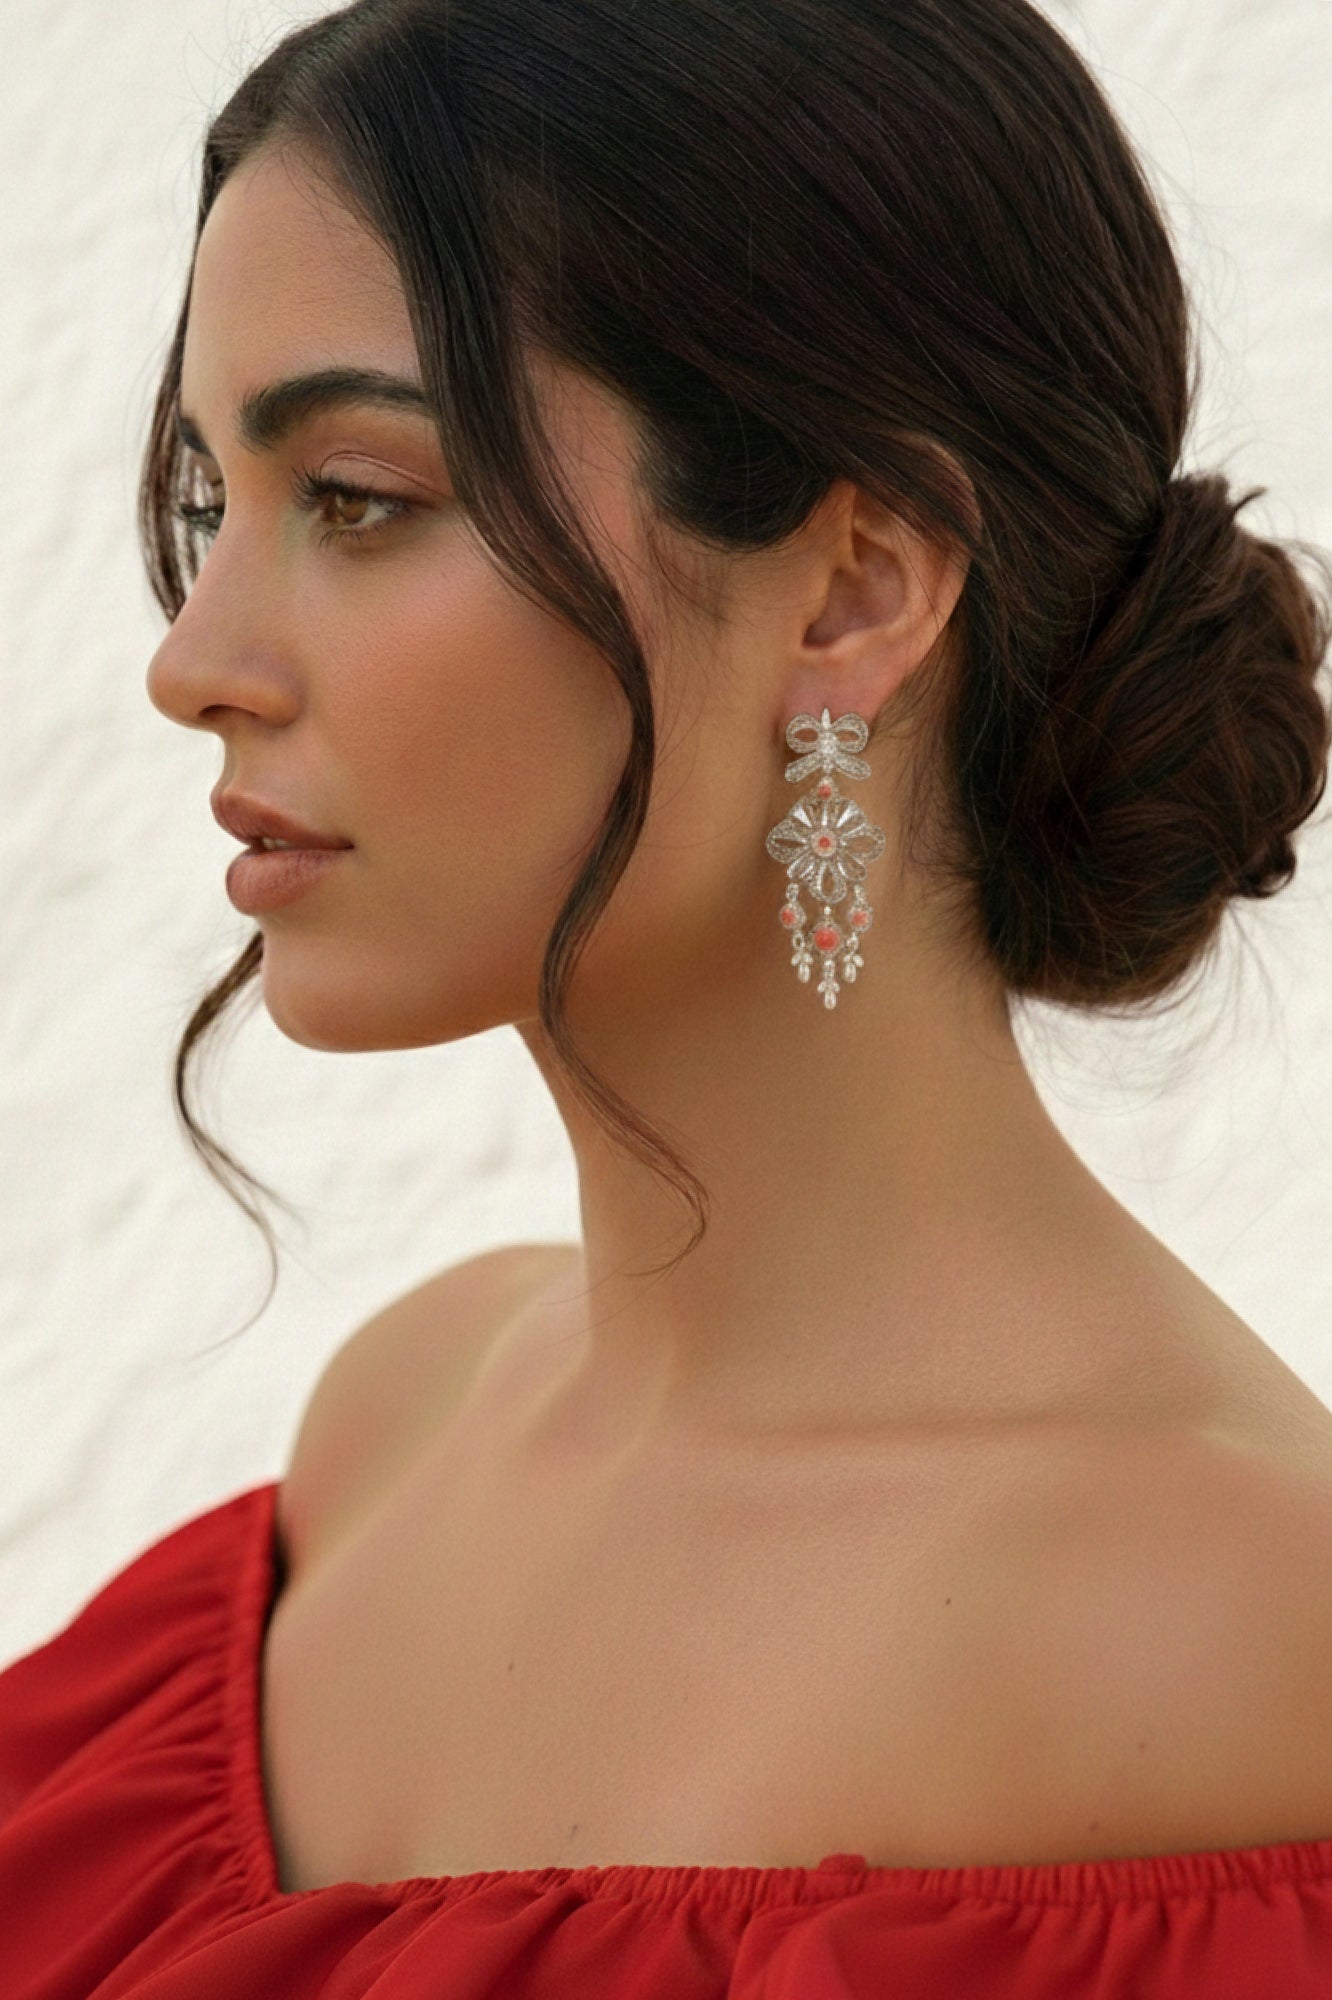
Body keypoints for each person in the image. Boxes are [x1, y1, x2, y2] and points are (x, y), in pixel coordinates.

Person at [4, 0, 1332, 1991]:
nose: (193, 660)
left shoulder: (1236, 1634)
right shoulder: (398, 1418)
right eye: (210, 505)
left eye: (359, 498)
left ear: (852, 590)